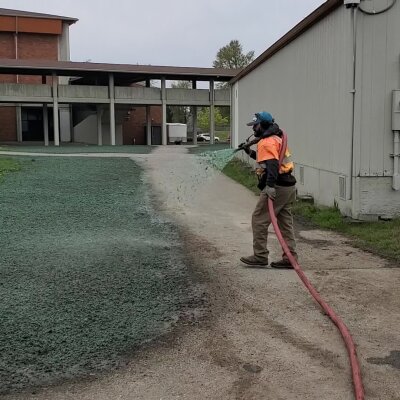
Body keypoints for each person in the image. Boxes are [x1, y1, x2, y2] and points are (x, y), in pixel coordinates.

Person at [239, 112, 297, 269]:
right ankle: (290, 258)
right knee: (285, 224)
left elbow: (271, 165)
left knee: (259, 219)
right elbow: (268, 160)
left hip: (277, 186)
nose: (254, 129)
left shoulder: (266, 142)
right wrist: (249, 152)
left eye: (256, 126)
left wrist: (270, 186)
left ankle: (260, 256)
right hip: (288, 186)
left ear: (263, 125)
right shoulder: (276, 138)